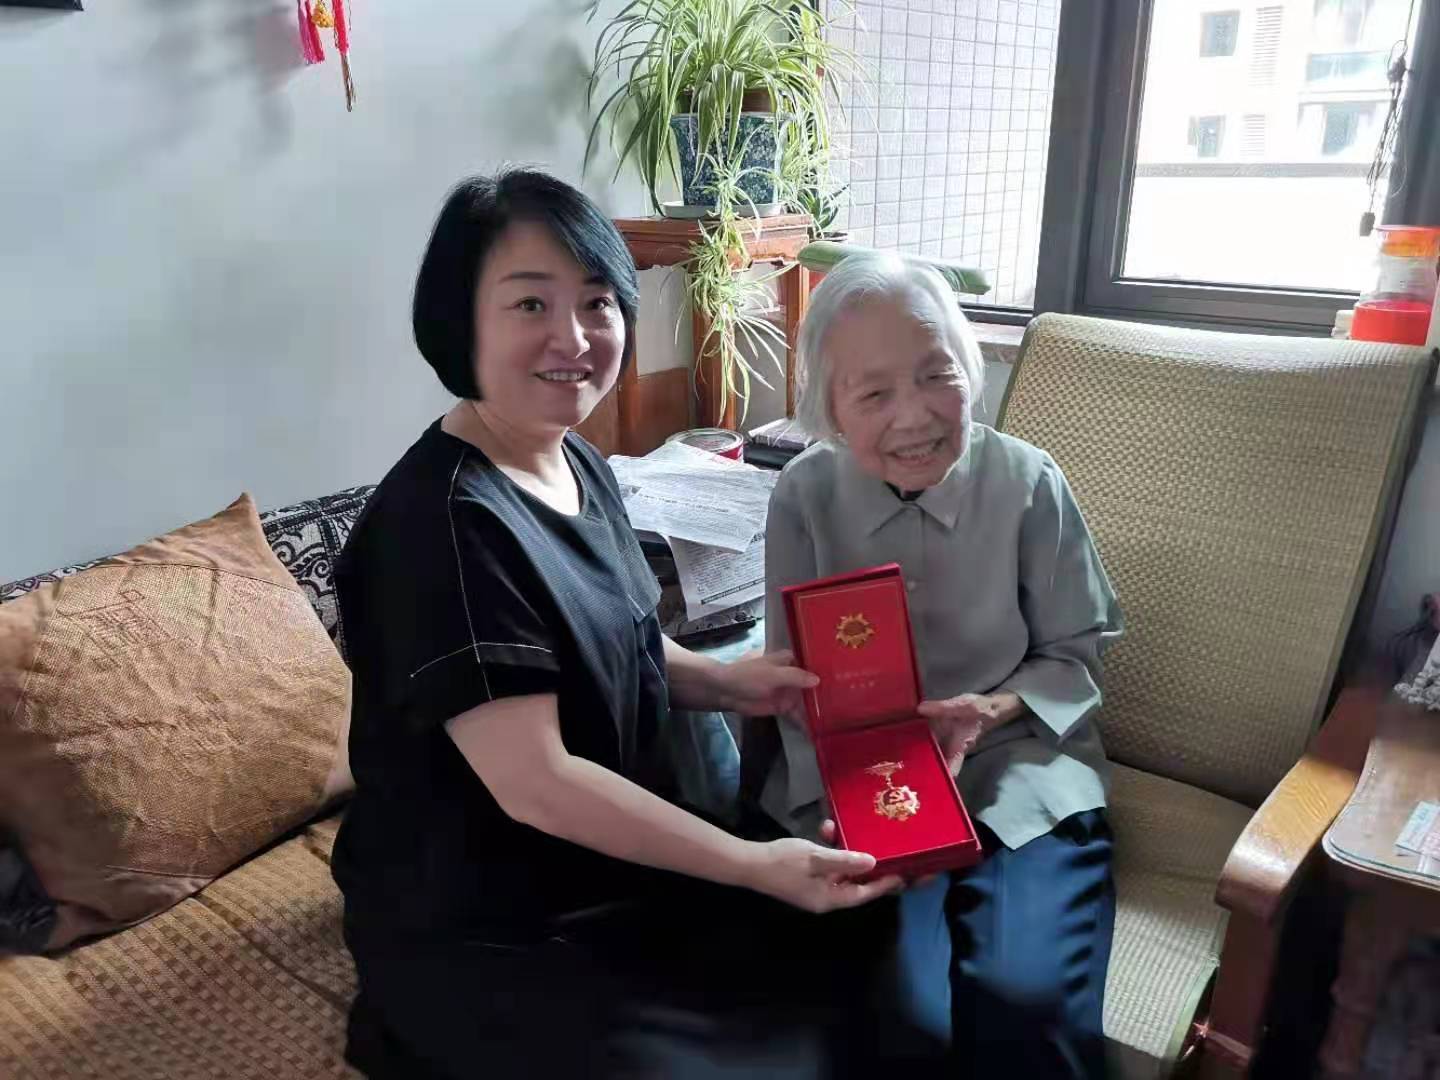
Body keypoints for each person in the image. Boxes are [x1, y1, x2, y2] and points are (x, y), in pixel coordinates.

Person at [330, 169, 914, 1079]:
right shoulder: (442, 528)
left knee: (867, 934)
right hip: (490, 923)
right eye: (531, 303)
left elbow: (626, 636)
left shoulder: (577, 463)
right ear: (459, 319)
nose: (574, 338)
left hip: (611, 871)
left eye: (598, 303)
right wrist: (749, 864)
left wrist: (732, 683)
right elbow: (539, 784)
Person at [757, 252, 1124, 1079]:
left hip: (1020, 769)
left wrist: (993, 710)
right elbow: (790, 672)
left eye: (936, 375)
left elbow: (1074, 655)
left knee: (1025, 992)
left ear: (969, 368)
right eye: (874, 394)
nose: (914, 416)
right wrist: (848, 794)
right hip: (865, 781)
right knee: (902, 1006)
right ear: (828, 408)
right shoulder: (803, 495)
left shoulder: (1029, 483)